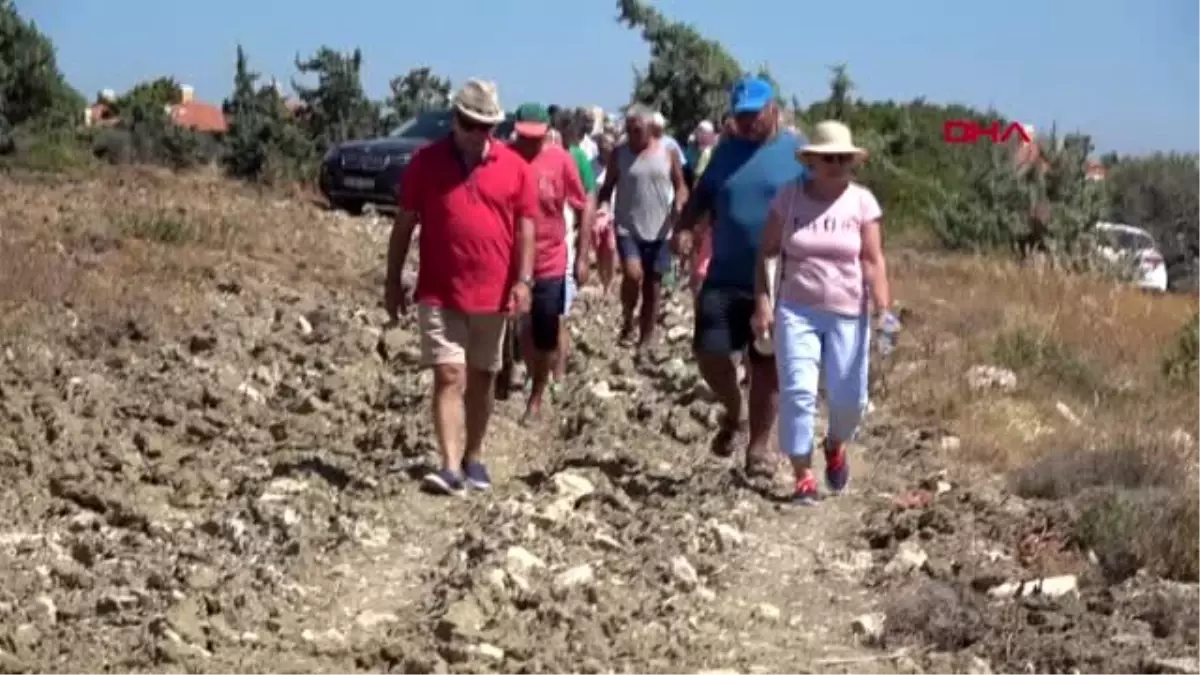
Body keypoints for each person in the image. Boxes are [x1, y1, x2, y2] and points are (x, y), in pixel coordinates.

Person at [385, 79, 536, 495]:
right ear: (455, 120)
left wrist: (524, 280)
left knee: (482, 377)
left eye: (485, 126)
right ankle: (450, 466)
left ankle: (473, 456)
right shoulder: (425, 163)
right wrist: (392, 278)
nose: (476, 134)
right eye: (469, 123)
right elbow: (404, 224)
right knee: (449, 374)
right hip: (439, 290)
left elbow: (525, 227)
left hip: (494, 291)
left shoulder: (515, 168)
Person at [751, 120, 895, 505]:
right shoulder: (789, 198)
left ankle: (835, 443)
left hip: (849, 312)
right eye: (828, 158)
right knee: (798, 392)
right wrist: (763, 302)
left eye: (843, 159)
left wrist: (884, 309)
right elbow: (767, 251)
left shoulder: (862, 202)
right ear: (812, 161)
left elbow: (872, 258)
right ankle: (803, 475)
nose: (836, 164)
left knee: (850, 401)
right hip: (797, 309)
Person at [671, 76, 806, 478]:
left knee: (765, 362)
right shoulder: (725, 152)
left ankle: (759, 447)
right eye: (741, 116)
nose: (747, 123)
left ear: (773, 110)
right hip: (726, 270)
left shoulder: (797, 152)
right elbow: (701, 197)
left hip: (777, 276)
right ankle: (735, 408)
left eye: (754, 115)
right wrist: (684, 228)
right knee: (710, 352)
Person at [509, 103, 592, 422]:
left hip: (550, 260)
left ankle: (537, 393)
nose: (529, 144)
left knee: (545, 329)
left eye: (536, 137)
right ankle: (531, 381)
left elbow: (583, 202)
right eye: (523, 137)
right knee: (520, 325)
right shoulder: (505, 156)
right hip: (512, 260)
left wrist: (583, 254)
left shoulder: (560, 159)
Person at [598, 104, 688, 347]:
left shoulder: (668, 152)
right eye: (628, 130)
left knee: (653, 285)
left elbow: (681, 185)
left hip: (660, 229)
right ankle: (628, 318)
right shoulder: (620, 153)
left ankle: (646, 337)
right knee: (632, 273)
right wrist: (604, 206)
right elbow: (607, 187)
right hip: (629, 226)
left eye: (636, 130)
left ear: (650, 129)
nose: (632, 135)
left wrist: (680, 203)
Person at [591, 133, 619, 293]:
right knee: (601, 249)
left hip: (614, 213)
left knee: (611, 247)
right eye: (602, 148)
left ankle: (610, 281)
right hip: (596, 215)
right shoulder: (592, 165)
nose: (605, 150)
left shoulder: (618, 166)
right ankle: (603, 280)